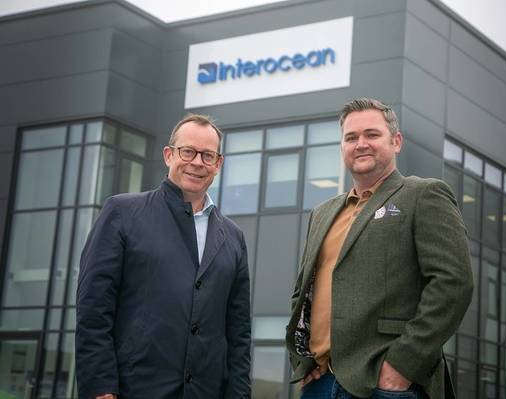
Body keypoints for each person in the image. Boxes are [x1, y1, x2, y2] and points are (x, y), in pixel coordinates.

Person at [286, 98, 473, 399]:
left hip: (384, 384)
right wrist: (304, 358)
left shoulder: (423, 195)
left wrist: (401, 366)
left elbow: (453, 283)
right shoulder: (321, 213)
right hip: (319, 382)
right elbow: (303, 292)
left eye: (371, 135)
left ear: (396, 142)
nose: (361, 144)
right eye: (351, 137)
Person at [76, 114, 251, 399]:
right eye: (188, 151)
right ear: (169, 155)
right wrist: (101, 387)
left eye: (207, 156)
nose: (197, 162)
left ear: (218, 164)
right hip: (133, 390)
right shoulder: (121, 213)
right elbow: (94, 310)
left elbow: (239, 334)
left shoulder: (233, 238)